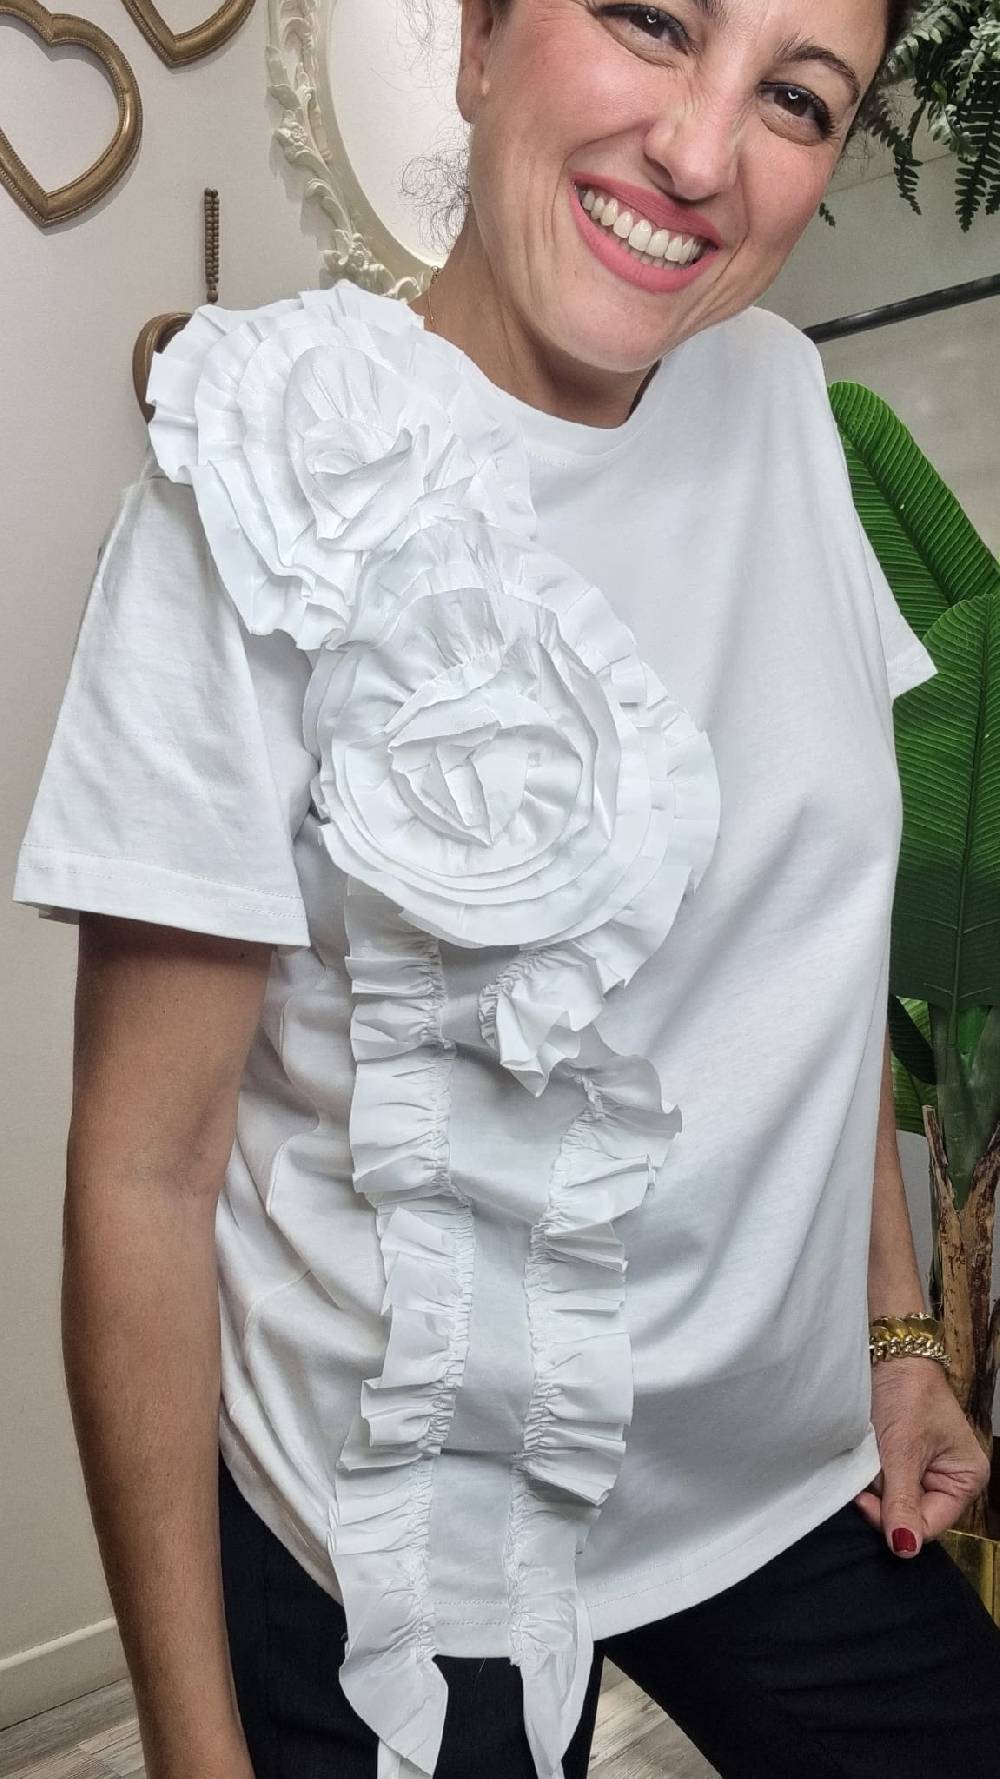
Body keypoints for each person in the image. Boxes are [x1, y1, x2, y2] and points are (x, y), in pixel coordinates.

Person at [12, 1, 1000, 1776]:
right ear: (477, 40)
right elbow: (146, 1179)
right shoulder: (263, 466)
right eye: (651, 20)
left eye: (795, 98)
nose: (698, 153)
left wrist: (899, 1330)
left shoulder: (784, 402)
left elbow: (806, 954)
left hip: (779, 1484)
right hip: (397, 1534)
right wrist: (192, 1753)